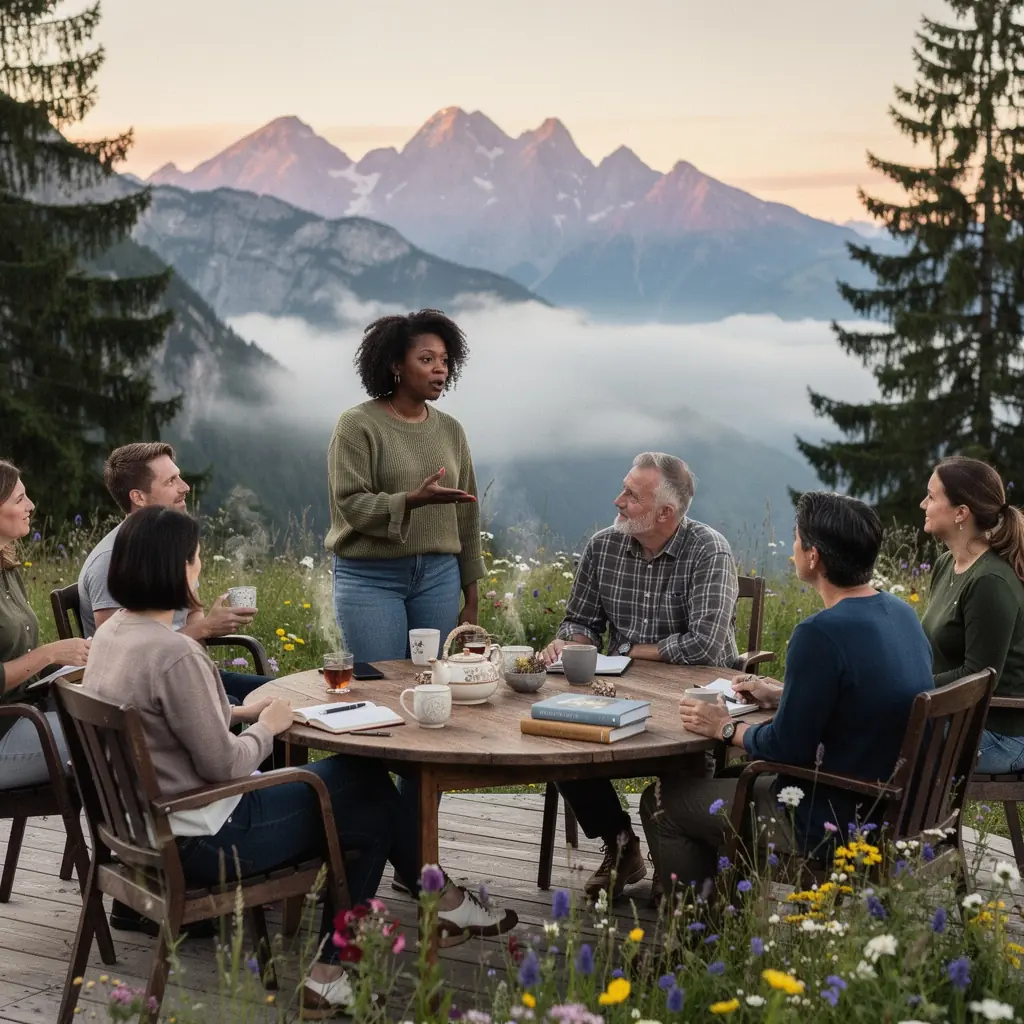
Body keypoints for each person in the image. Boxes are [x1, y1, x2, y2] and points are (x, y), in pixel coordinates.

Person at [83, 507, 515, 1015]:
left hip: (142, 830)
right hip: (207, 838)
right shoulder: (176, 653)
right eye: (195, 559)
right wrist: (269, 726)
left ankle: (435, 906)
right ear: (174, 567)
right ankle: (354, 956)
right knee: (368, 792)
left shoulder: (114, 638)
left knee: (359, 789)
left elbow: (167, 716)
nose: (199, 568)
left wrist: (243, 708)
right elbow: (225, 765)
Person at [640, 491, 933, 897]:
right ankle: (728, 909)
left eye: (796, 539)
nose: (793, 548)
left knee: (662, 803)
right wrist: (783, 695)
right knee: (719, 782)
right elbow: (863, 694)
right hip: (889, 801)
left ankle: (702, 935)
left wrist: (723, 728)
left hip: (831, 814)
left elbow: (787, 748)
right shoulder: (900, 612)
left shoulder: (819, 633)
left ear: (813, 557)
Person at [539, 452, 741, 899]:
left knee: (684, 761)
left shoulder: (709, 550)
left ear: (665, 512)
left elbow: (705, 646)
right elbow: (580, 620)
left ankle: (685, 882)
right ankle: (620, 842)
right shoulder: (602, 546)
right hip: (617, 690)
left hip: (693, 696)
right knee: (557, 732)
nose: (617, 500)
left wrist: (628, 649)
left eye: (631, 495)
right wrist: (571, 641)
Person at [326, 309, 485, 661]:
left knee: (432, 681)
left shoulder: (451, 430)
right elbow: (350, 503)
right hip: (371, 576)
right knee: (382, 684)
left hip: (439, 577)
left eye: (444, 359)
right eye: (426, 359)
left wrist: (471, 600)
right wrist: (411, 500)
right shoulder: (357, 425)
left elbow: (468, 517)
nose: (440, 368)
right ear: (396, 365)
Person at [78, 442, 268, 705]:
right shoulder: (111, 561)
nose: (185, 487)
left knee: (281, 693)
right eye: (171, 481)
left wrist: (207, 623)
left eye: (179, 476)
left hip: (189, 672)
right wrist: (206, 628)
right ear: (138, 497)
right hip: (149, 694)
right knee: (238, 705)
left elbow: (191, 610)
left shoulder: (169, 544)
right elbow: (121, 658)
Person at [920, 456, 1024, 772]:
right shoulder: (944, 565)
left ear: (961, 512)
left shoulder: (990, 581)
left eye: (932, 496)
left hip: (1000, 735)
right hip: (950, 716)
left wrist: (908, 683)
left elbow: (978, 677)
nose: (923, 504)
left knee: (874, 736)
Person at [0, 461, 91, 791]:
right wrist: (47, 653)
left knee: (127, 709)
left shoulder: (7, 570)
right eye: (19, 499)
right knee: (120, 736)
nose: (31, 506)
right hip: (7, 730)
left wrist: (65, 663)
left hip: (25, 714)